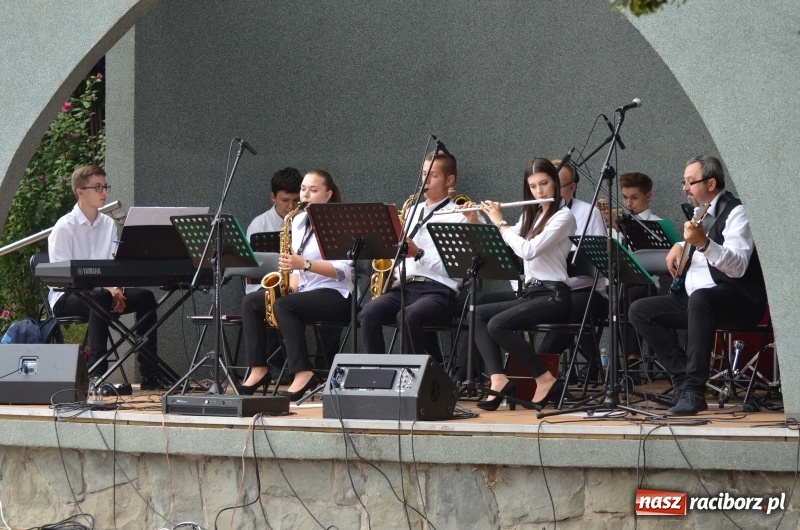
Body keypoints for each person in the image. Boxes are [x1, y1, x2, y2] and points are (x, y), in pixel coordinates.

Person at [629, 155, 767, 415]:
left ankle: (694, 390)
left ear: (711, 183)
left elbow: (737, 266)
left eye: (690, 181)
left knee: (702, 298)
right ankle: (682, 377)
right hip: (697, 300)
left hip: (738, 301)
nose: (685, 187)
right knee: (640, 310)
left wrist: (703, 243)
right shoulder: (700, 211)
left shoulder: (737, 212)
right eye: (684, 182)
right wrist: (680, 245)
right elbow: (697, 241)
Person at [48, 165, 168, 389]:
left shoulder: (108, 224)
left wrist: (118, 290)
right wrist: (107, 291)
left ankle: (150, 373)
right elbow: (61, 278)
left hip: (104, 292)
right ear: (80, 192)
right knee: (99, 297)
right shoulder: (64, 228)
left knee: (145, 297)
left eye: (105, 187)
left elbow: (114, 265)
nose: (104, 192)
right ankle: (97, 375)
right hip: (67, 298)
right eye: (97, 187)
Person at [473, 158, 576, 411]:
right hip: (532, 294)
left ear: (555, 183)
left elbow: (528, 251)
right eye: (533, 186)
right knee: (477, 312)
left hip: (554, 296)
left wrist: (500, 221)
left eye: (544, 184)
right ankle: (498, 378)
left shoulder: (564, 217)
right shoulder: (531, 216)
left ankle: (544, 378)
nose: (539, 191)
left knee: (498, 324)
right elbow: (504, 240)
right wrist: (476, 219)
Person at [240, 170, 351, 401]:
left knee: (285, 306)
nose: (305, 195)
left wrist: (305, 264)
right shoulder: (298, 221)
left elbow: (343, 271)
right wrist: (291, 283)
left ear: (328, 194)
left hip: (336, 293)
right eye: (303, 189)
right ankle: (259, 369)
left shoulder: (340, 221)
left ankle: (303, 372)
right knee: (251, 302)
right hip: (306, 291)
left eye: (313, 190)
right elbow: (296, 265)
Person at [360, 150, 479, 360]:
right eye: (424, 174)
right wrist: (393, 273)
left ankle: (410, 378)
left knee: (408, 316)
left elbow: (457, 270)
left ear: (449, 180)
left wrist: (419, 253)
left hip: (439, 291)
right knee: (369, 312)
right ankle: (375, 373)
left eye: (433, 175)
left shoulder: (460, 216)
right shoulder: (412, 211)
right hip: (405, 287)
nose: (426, 181)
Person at [538, 159, 606, 377]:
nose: (550, 191)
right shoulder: (534, 214)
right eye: (546, 184)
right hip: (544, 290)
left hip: (583, 291)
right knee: (487, 312)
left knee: (566, 311)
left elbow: (596, 262)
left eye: (558, 186)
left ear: (572, 187)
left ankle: (538, 377)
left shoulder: (588, 213)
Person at [245, 167, 302, 295]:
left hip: (302, 285)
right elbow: (252, 267)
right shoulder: (259, 225)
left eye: (296, 201)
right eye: (285, 200)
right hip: (265, 287)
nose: (291, 207)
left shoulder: (307, 221)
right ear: (273, 197)